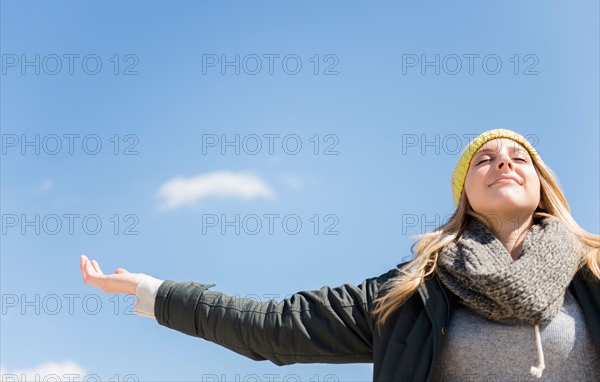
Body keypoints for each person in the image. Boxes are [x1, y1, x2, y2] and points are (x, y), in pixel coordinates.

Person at [80, 128, 600, 382]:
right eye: (484, 160)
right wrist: (155, 294)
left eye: (519, 157)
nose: (503, 163)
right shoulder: (414, 292)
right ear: (464, 195)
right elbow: (277, 326)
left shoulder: (592, 272)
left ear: (541, 181)